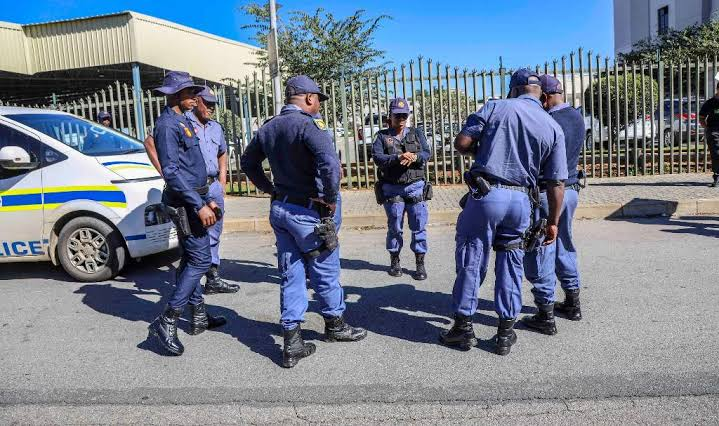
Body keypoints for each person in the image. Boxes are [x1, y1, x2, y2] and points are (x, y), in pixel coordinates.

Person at [240, 75, 366, 369]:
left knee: (291, 272)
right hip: (310, 212)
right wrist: (330, 198)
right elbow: (330, 164)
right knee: (325, 268)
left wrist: (270, 189)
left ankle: (292, 341)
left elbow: (248, 163)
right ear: (309, 98)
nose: (319, 103)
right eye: (318, 98)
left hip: (281, 209)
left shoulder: (269, 127)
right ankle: (335, 325)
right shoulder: (309, 125)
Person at [438, 69, 567, 356]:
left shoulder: (495, 107)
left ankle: (463, 328)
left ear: (515, 89)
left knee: (472, 257)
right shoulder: (551, 125)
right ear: (541, 94)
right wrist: (553, 222)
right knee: (512, 262)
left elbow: (462, 143)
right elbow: (556, 182)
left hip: (487, 195)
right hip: (522, 202)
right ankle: (505, 334)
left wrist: (485, 150)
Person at [146, 71, 226, 356]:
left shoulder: (182, 121)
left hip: (195, 198)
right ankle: (168, 319)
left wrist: (207, 198)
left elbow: (192, 168)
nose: (196, 97)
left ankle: (199, 315)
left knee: (192, 259)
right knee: (201, 259)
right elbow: (171, 172)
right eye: (191, 92)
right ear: (177, 95)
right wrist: (198, 203)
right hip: (185, 203)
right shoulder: (168, 125)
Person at [144, 88, 239, 295]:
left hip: (212, 187)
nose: (211, 108)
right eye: (207, 103)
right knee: (192, 243)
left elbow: (222, 152)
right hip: (191, 191)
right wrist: (169, 176)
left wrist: (223, 179)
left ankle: (212, 279)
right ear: (197, 101)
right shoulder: (180, 122)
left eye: (214, 104)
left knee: (214, 234)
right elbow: (150, 143)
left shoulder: (215, 127)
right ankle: (183, 301)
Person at [522, 75, 585, 336]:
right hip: (571, 191)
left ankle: (545, 314)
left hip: (548, 193)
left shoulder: (547, 121)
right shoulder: (577, 116)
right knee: (564, 244)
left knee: (541, 248)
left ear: (545, 97)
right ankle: (573, 302)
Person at [371, 98, 432, 280]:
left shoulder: (417, 133)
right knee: (395, 227)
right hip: (392, 189)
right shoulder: (381, 136)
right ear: (390, 116)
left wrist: (415, 157)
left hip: (415, 187)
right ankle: (395, 260)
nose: (401, 119)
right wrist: (397, 158)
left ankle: (420, 263)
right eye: (397, 116)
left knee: (418, 227)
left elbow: (426, 153)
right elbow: (378, 158)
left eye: (404, 115)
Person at [699, 82, 719, 187]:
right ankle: (717, 176)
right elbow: (702, 117)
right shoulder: (710, 103)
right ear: (718, 89)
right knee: (716, 154)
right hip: (714, 131)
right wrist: (708, 129)